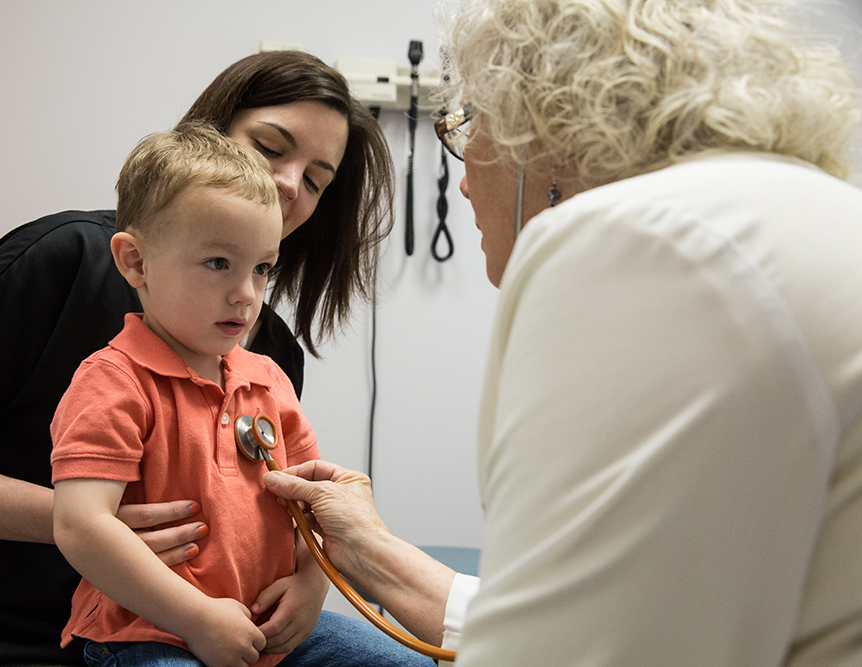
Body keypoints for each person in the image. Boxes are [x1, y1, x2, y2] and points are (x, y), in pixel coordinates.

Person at [262, 0, 862, 665]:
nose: (461, 180)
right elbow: (643, 608)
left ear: (540, 130)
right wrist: (377, 554)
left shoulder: (637, 243)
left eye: (468, 125)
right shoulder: (795, 217)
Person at [0, 50, 420, 667]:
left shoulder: (269, 355)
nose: (289, 184)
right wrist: (84, 520)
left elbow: (289, 504)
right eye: (270, 147)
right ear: (209, 139)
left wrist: (310, 586)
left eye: (316, 179)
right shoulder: (62, 262)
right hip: (1, 637)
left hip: (218, 637)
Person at [52, 123, 320, 667]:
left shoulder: (268, 380)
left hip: (258, 630)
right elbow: (81, 525)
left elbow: (317, 504)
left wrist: (312, 587)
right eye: (218, 263)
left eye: (262, 268)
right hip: (144, 633)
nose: (246, 294)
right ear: (135, 263)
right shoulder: (113, 380)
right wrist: (196, 618)